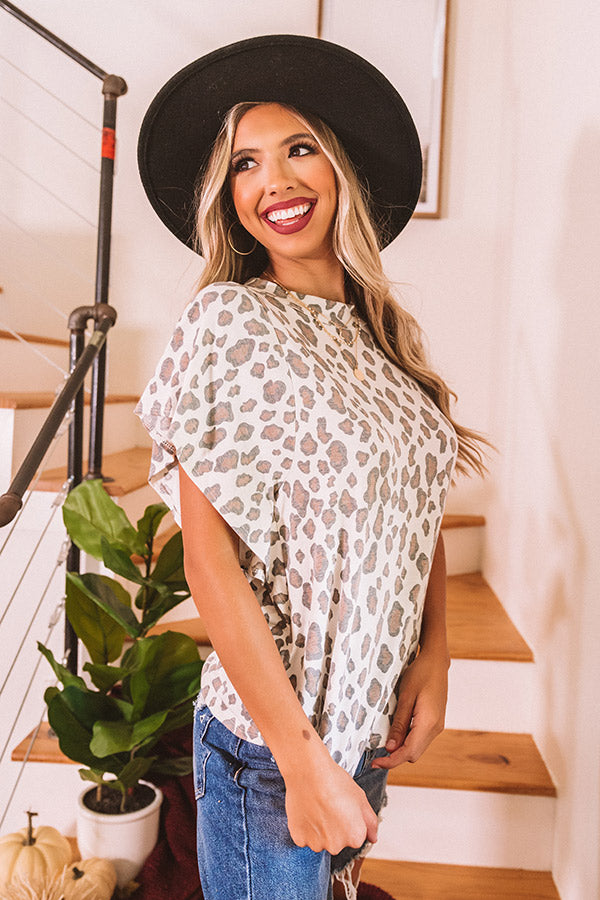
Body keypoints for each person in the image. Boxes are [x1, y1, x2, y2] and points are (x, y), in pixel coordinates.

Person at [135, 34, 487, 900]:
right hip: (271, 750)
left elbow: (413, 506)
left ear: (340, 165)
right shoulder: (230, 323)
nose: (274, 182)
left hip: (364, 730)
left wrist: (436, 656)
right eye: (245, 164)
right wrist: (301, 765)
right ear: (229, 197)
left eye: (298, 149)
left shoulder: (382, 336)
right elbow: (208, 562)